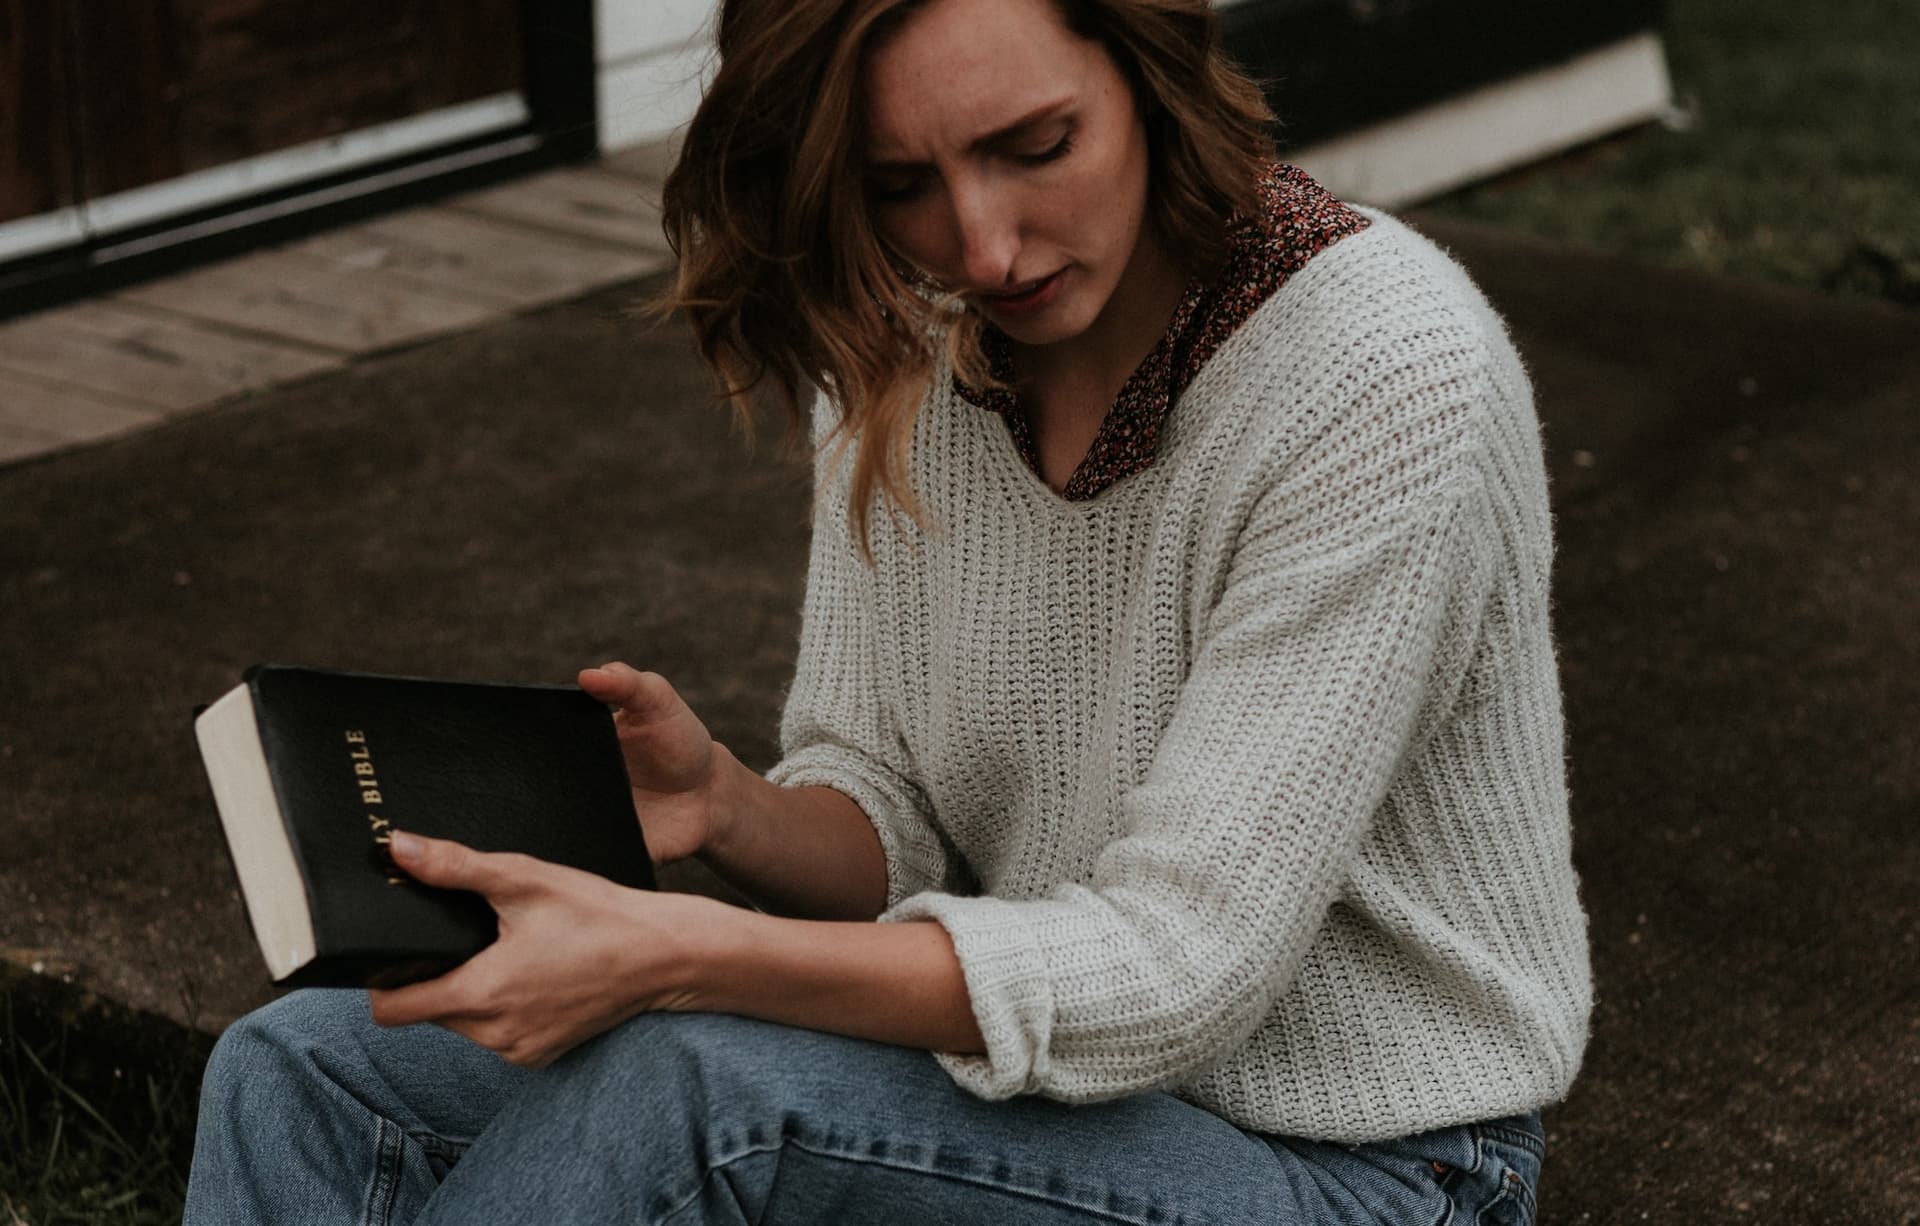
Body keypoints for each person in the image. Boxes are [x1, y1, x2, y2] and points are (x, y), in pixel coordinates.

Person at [184, 0, 1592, 1221]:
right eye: (901, 182)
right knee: (306, 1065)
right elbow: (899, 817)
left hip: (1361, 1170)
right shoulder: (907, 330)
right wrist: (730, 807)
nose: (982, 246)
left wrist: (681, 956)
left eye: (1035, 147)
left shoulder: (1385, 377)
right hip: (1020, 1097)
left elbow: (1180, 966)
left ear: (1150, 72)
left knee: (695, 1084)